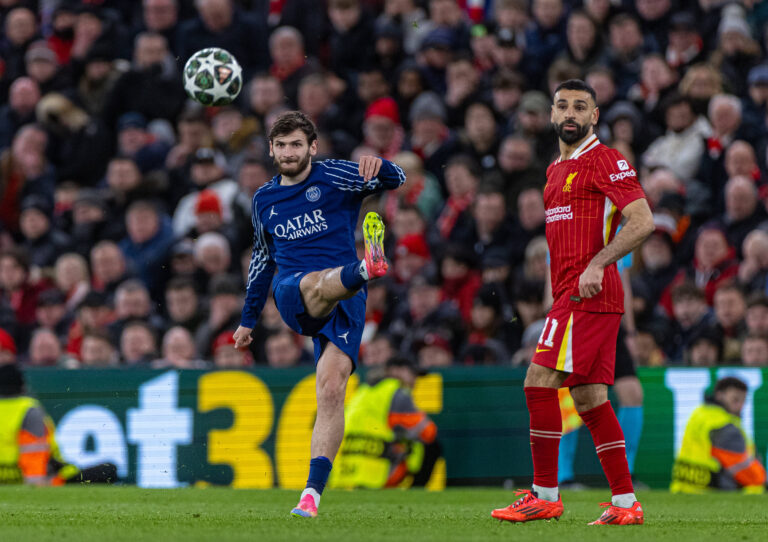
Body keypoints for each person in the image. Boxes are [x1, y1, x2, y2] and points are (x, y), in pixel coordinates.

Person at [491, 80, 653, 525]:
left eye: (580, 107)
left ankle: (544, 494)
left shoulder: (605, 160)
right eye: (562, 105)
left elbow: (642, 221)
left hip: (590, 295)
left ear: (594, 116)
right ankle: (625, 504)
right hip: (570, 296)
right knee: (589, 399)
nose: (570, 113)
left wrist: (600, 263)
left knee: (537, 381)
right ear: (550, 114)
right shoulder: (554, 171)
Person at [232, 111, 404, 518]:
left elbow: (396, 179)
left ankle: (311, 495)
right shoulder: (264, 200)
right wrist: (248, 318)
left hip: (347, 300)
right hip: (293, 291)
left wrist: (381, 166)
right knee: (312, 282)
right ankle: (367, 267)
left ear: (312, 147)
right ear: (272, 150)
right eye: (281, 145)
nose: (288, 152)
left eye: (296, 144)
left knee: (331, 389)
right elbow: (261, 260)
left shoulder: (338, 176)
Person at [330, 356, 439, 489]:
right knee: (432, 446)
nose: (415, 380)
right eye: (412, 374)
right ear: (396, 371)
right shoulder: (396, 391)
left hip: (347, 471)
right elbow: (428, 432)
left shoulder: (363, 390)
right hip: (379, 470)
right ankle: (417, 492)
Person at [0, 363, 117, 484]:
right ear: (22, 386)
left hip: (6, 476)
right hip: (40, 478)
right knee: (109, 470)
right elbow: (35, 453)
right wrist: (39, 482)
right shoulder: (27, 409)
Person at [671, 377, 766, 493]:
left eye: (743, 401)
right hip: (711, 493)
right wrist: (763, 482)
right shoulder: (726, 427)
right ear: (719, 395)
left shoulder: (699, 413)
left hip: (683, 488)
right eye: (735, 400)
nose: (740, 406)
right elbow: (745, 472)